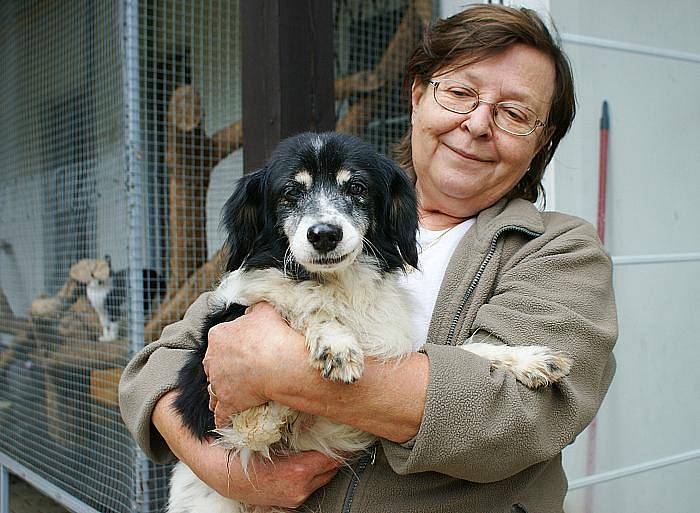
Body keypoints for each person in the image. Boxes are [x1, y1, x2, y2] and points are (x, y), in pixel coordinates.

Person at [119, 5, 617, 513]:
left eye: (514, 113)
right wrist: (221, 469)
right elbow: (153, 369)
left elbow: (513, 415)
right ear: (419, 96)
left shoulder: (561, 250)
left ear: (543, 140)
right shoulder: (303, 247)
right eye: (461, 93)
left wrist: (277, 368)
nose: (477, 124)